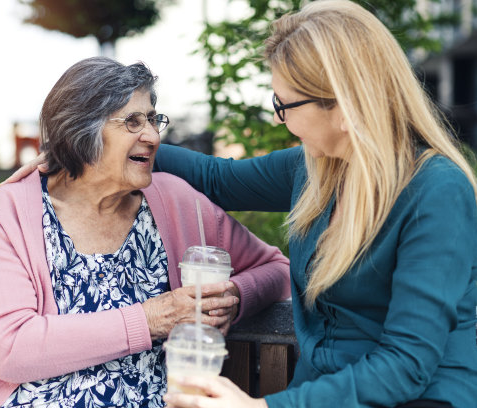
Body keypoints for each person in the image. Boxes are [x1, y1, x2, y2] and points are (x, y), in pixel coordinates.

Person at [156, 1, 477, 407]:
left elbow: (406, 364)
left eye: (283, 105)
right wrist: (109, 147)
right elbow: (215, 178)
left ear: (343, 108)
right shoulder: (313, 170)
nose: (278, 119)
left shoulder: (435, 191)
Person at [0, 57, 290, 408]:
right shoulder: (14, 209)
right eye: (132, 121)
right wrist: (147, 320)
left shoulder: (176, 201)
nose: (153, 135)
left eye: (153, 119)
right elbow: (7, 347)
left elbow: (277, 269)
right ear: (81, 130)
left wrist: (233, 296)